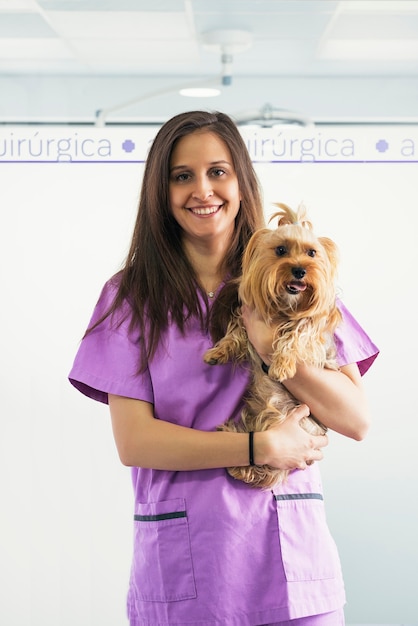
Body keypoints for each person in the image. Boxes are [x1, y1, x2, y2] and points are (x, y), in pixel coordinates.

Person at [69, 110, 379, 626]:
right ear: (160, 191)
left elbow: (356, 419)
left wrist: (265, 345)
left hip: (293, 567)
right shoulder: (129, 297)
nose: (202, 190)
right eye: (181, 176)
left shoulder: (295, 274)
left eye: (218, 171)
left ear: (241, 180)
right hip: (187, 570)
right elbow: (135, 442)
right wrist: (260, 447)